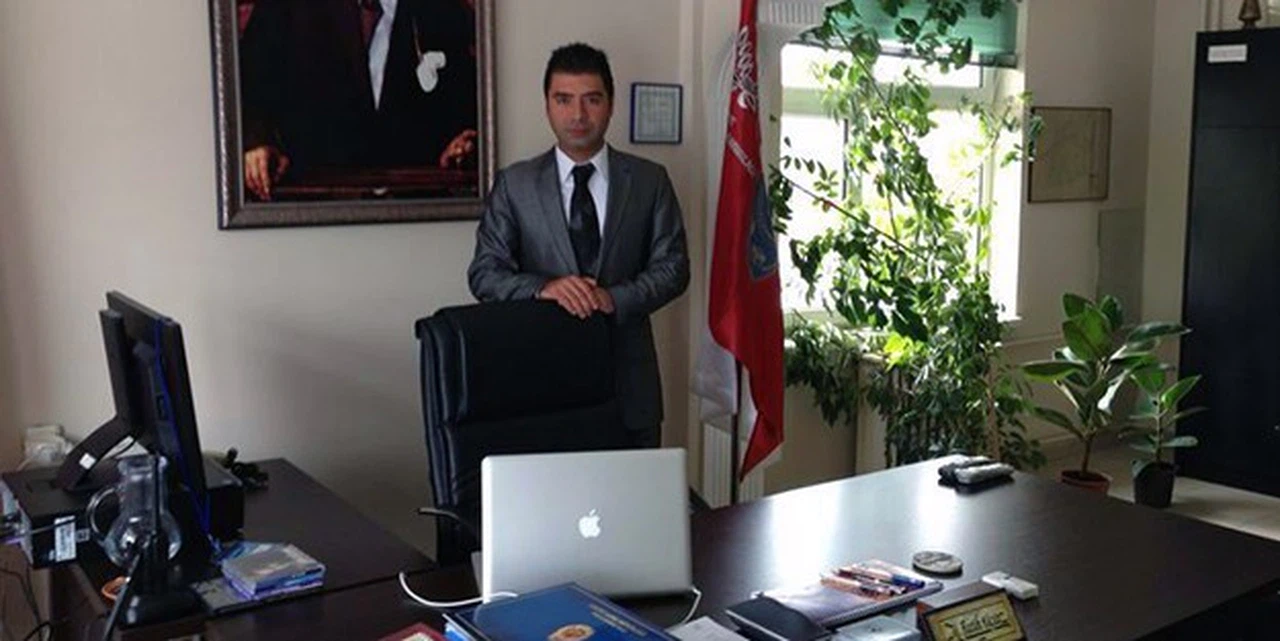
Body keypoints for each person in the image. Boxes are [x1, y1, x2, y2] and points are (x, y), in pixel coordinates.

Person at [468, 43, 690, 449]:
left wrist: (613, 298)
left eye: (592, 99)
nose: (578, 115)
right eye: (564, 99)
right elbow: (484, 274)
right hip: (541, 388)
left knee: (633, 490)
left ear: (610, 104)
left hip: (630, 390)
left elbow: (673, 268)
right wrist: (542, 288)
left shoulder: (649, 181)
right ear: (547, 105)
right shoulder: (515, 184)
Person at [237, 0, 480, 200]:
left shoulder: (444, 10)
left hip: (414, 214)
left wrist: (464, 141)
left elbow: (467, 107)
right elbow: (248, 90)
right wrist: (257, 143)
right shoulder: (286, 7)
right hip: (314, 211)